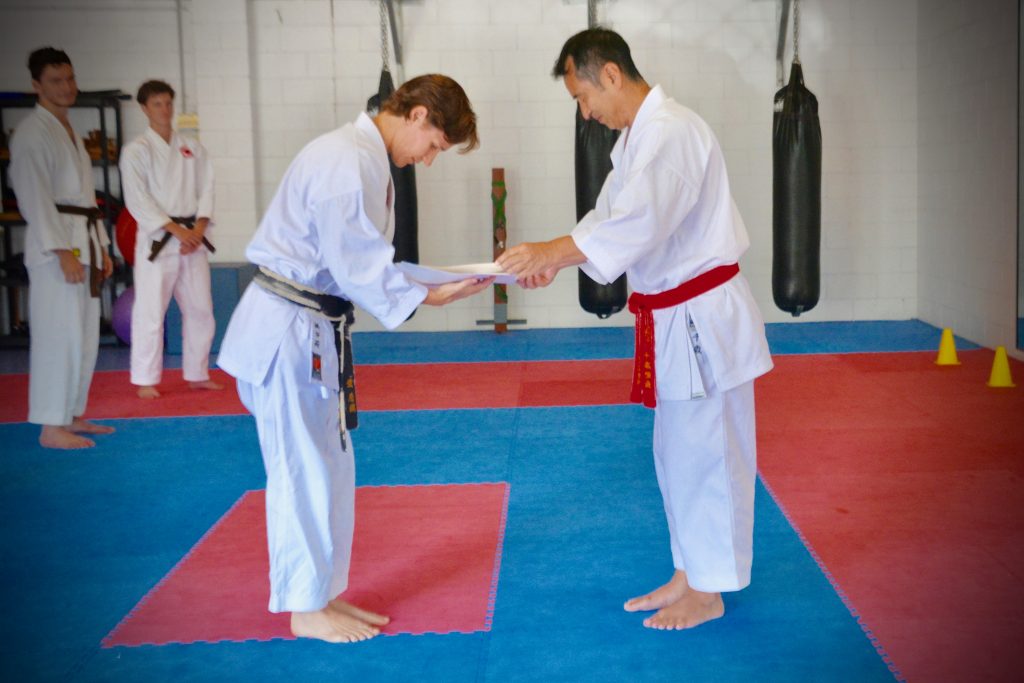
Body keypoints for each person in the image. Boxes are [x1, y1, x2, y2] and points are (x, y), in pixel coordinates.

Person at [497, 28, 774, 631]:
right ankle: (687, 572)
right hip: (673, 318)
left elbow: (639, 223)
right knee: (676, 452)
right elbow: (607, 218)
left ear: (612, 75)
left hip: (703, 320)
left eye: (582, 95)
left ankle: (712, 589)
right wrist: (553, 258)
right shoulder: (637, 140)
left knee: (710, 453)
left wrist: (552, 251)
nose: (584, 110)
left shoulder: (672, 133)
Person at [217, 74, 492, 643]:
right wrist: (427, 293)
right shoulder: (347, 162)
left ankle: (320, 594)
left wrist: (437, 282)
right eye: (436, 145)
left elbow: (364, 263)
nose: (430, 160)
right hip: (286, 334)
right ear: (416, 115)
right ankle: (302, 606)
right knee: (301, 471)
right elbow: (359, 268)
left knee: (331, 469)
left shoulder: (361, 158)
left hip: (311, 330)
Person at [9, 47, 114, 449]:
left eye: (69, 78)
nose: (66, 87)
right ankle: (50, 426)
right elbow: (34, 198)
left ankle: (71, 414)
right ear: (37, 85)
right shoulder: (32, 133)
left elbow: (87, 200)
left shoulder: (66, 129)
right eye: (56, 80)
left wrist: (102, 248)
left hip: (83, 239)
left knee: (83, 335)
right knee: (57, 335)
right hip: (58, 250)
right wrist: (63, 252)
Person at [119, 79, 220, 399]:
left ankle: (198, 373)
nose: (165, 110)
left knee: (201, 308)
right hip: (158, 241)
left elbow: (207, 187)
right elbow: (138, 201)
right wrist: (179, 232)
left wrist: (199, 229)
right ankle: (145, 378)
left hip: (193, 238)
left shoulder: (191, 146)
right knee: (150, 310)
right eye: (157, 104)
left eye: (168, 103)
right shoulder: (136, 151)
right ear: (144, 108)